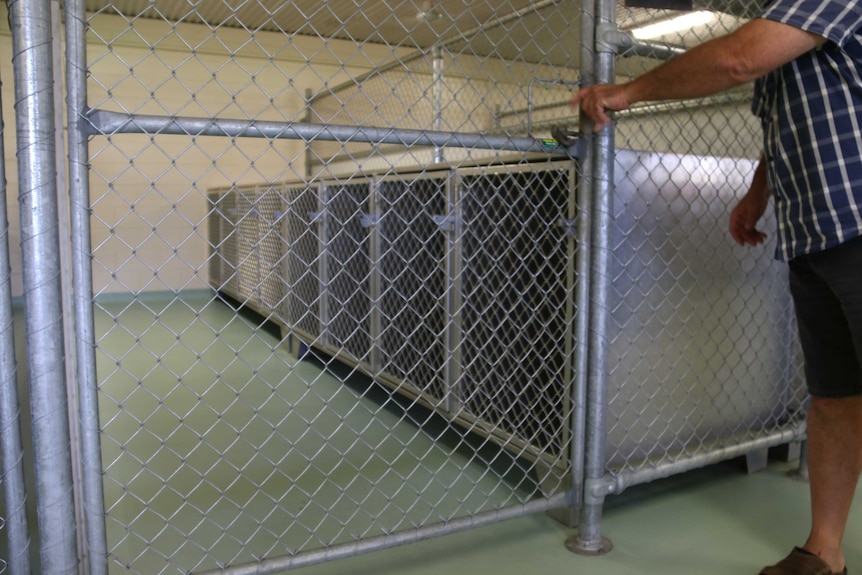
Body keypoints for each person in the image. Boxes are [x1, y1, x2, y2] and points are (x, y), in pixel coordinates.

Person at [574, 2, 862, 574]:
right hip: (816, 233)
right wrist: (759, 194)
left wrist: (628, 92)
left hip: (857, 222)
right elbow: (785, 119)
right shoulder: (789, 24)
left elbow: (738, 59)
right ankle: (824, 551)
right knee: (834, 396)